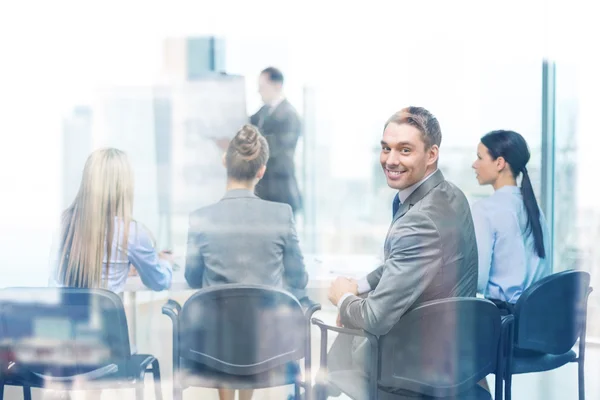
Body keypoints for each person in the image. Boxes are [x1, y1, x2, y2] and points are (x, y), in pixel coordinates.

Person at [324, 106, 478, 395]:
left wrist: (342, 298)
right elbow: (406, 261)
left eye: (404, 150)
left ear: (431, 155)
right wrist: (358, 286)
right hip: (455, 348)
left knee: (344, 331)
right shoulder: (451, 194)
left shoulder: (419, 220)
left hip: (414, 364)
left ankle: (321, 388)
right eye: (386, 148)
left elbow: (375, 318)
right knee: (359, 303)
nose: (390, 160)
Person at [184, 124, 309, 400]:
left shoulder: (200, 218)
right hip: (269, 347)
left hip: (215, 349)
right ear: (261, 171)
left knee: (224, 323)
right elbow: (299, 278)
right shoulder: (282, 214)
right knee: (251, 321)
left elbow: (193, 278)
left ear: (224, 161)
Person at [52, 148, 173, 293]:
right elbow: (159, 282)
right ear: (124, 186)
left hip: (69, 315)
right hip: (108, 315)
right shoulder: (131, 232)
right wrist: (166, 262)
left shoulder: (64, 223)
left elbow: (56, 275)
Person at [471, 130, 551, 311]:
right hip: (537, 318)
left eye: (480, 158)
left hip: (503, 320)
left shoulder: (485, 209)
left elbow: (478, 281)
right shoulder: (534, 208)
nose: (474, 165)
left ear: (499, 163)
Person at [249, 66, 302, 214]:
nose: (259, 91)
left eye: (262, 87)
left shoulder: (289, 115)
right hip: (265, 191)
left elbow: (274, 147)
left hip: (281, 191)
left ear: (277, 85)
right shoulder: (263, 112)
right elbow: (246, 126)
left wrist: (247, 146)